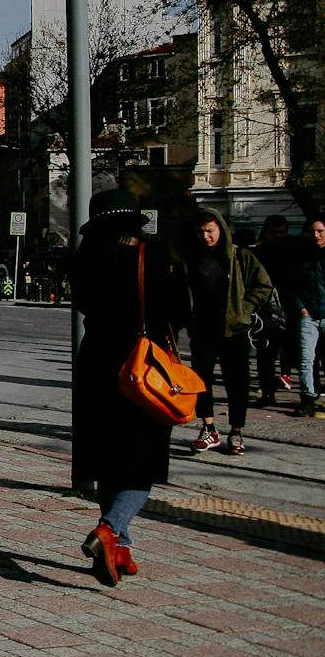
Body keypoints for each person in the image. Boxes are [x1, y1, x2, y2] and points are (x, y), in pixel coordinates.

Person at [70, 188, 190, 586]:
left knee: (108, 459)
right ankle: (109, 529)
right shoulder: (150, 255)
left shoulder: (85, 257)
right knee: (143, 462)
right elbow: (177, 311)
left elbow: (84, 304)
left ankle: (119, 550)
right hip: (140, 368)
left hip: (95, 363)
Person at [186, 207, 273, 455]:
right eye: (202, 232)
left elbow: (263, 285)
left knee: (237, 381)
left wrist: (245, 308)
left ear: (221, 230)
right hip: (202, 330)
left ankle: (236, 431)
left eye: (210, 231)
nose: (206, 237)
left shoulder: (239, 257)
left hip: (234, 329)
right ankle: (209, 428)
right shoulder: (191, 258)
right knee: (201, 381)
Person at [250, 214, 299, 406]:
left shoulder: (294, 252)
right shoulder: (258, 254)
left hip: (292, 307)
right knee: (266, 355)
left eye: (282, 232)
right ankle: (267, 391)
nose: (278, 236)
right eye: (274, 233)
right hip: (266, 310)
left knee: (298, 353)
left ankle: (306, 394)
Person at [295, 215, 325, 418]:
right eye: (313, 231)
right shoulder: (301, 256)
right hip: (309, 314)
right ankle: (308, 397)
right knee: (306, 359)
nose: (316, 236)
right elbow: (292, 285)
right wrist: (301, 308)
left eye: (321, 231)